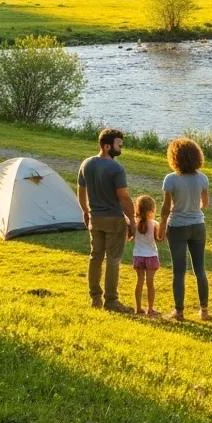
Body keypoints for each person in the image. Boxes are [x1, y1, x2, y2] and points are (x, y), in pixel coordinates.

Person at [77, 127, 135, 313]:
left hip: (96, 217)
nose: (121, 148)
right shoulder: (116, 168)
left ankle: (95, 297)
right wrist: (132, 221)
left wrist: (86, 211)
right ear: (107, 146)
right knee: (113, 259)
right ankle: (111, 301)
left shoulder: (86, 164)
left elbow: (81, 191)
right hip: (114, 219)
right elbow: (123, 197)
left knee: (95, 257)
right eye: (119, 145)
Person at [158, 137, 211, 321]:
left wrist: (162, 225)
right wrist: (193, 208)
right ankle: (204, 311)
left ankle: (179, 311)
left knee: (179, 271)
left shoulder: (171, 179)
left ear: (174, 157)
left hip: (177, 226)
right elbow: (205, 203)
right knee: (200, 270)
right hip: (198, 225)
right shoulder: (203, 178)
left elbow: (165, 208)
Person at [131, 194, 161, 316]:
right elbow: (158, 238)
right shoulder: (154, 224)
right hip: (151, 256)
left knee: (139, 282)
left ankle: (138, 308)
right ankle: (150, 309)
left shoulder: (134, 223)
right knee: (150, 283)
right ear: (152, 210)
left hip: (138, 256)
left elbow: (130, 237)